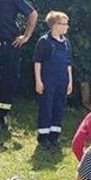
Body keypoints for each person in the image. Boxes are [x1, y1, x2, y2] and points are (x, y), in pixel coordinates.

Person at [34, 11, 73, 147]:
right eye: (64, 24)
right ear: (55, 25)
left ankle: (54, 136)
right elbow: (37, 62)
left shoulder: (66, 43)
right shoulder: (44, 41)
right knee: (46, 106)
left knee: (59, 107)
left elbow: (68, 64)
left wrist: (70, 82)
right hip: (48, 80)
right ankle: (43, 136)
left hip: (62, 80)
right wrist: (38, 81)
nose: (67, 26)